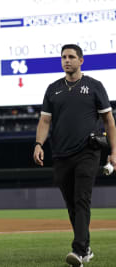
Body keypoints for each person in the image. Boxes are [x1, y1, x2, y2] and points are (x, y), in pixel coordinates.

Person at [33, 44, 116, 267]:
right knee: (72, 204)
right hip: (60, 154)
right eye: (63, 57)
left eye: (71, 57)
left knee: (81, 200)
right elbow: (45, 121)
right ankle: (86, 247)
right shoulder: (53, 89)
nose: (66, 60)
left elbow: (109, 121)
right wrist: (39, 144)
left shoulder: (94, 86)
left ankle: (78, 251)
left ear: (81, 60)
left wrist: (114, 152)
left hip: (88, 152)